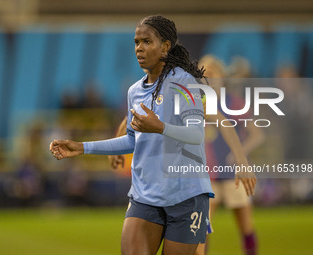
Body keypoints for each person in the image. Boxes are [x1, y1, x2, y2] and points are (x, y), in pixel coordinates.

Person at [50, 15, 256, 255]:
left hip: (186, 196)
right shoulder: (135, 91)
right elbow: (132, 139)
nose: (139, 47)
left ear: (165, 46)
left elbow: (195, 134)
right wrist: (83, 147)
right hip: (145, 196)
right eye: (136, 42)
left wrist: (241, 159)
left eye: (146, 41)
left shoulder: (186, 84)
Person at [197, 55, 263, 255]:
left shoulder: (233, 102)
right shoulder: (196, 103)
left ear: (221, 76)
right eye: (202, 73)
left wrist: (239, 155)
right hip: (208, 174)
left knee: (245, 226)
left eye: (211, 73)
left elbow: (257, 135)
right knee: (202, 227)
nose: (206, 77)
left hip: (234, 173)